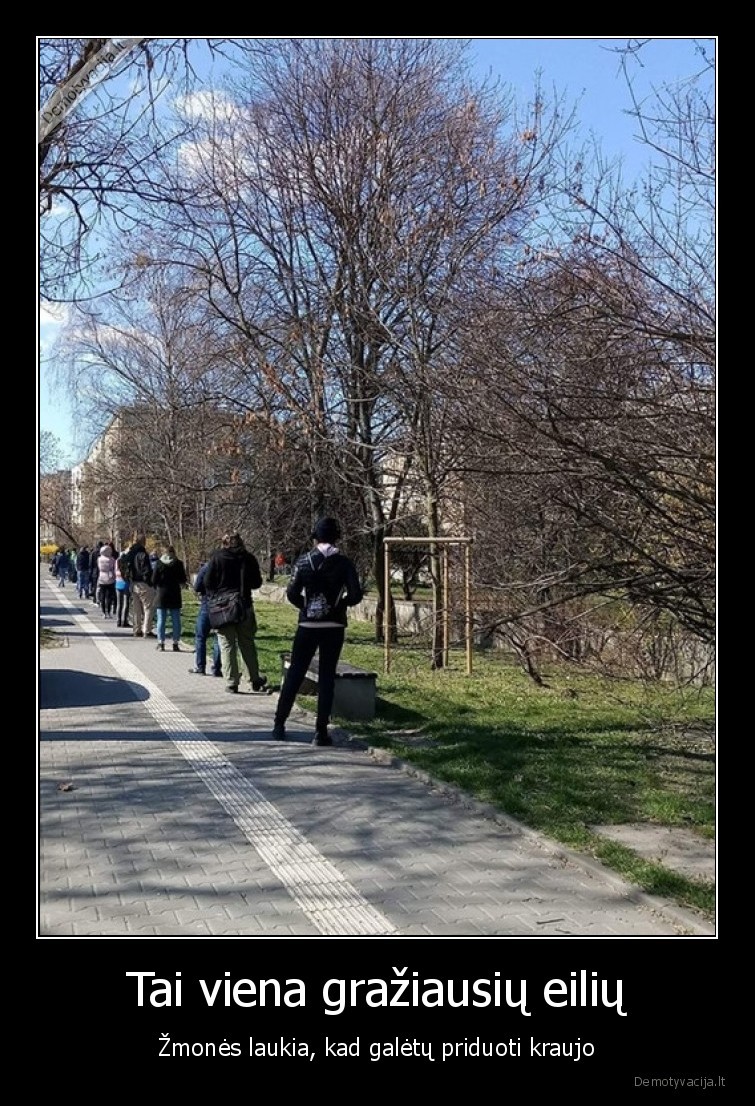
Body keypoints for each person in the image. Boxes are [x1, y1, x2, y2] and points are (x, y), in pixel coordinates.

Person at [272, 517, 363, 746]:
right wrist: (340, 605)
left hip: (307, 626)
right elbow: (356, 595)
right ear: (336, 537)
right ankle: (320, 732)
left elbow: (292, 593)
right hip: (333, 627)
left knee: (295, 674)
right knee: (326, 677)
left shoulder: (303, 562)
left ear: (315, 538)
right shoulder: (344, 563)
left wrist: (306, 607)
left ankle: (279, 724)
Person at [204, 532, 267, 694]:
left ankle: (232, 682)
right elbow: (257, 583)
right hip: (244, 604)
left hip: (223, 607)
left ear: (224, 543)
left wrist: (215, 596)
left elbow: (207, 582)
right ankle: (254, 679)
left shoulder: (217, 558)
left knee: (227, 644)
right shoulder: (248, 558)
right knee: (247, 643)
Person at [188, 557, 222, 676]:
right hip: (220, 606)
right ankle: (217, 668)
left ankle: (200, 666)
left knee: (200, 637)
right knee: (218, 638)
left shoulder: (205, 568)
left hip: (206, 604)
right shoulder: (225, 569)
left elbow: (197, 587)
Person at [152, 543, 188, 651]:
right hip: (175, 594)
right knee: (176, 620)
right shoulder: (178, 563)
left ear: (164, 553)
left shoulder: (159, 563)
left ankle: (161, 643)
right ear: (174, 552)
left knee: (161, 620)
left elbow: (153, 579)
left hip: (161, 593)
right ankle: (175, 643)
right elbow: (183, 580)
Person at [127, 533, 157, 638]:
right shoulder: (143, 554)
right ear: (143, 541)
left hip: (133, 583)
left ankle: (137, 629)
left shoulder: (130, 553)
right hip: (143, 583)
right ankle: (147, 630)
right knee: (148, 607)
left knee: (136, 609)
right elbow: (146, 571)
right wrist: (150, 581)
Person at [97, 543, 117, 618]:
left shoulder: (99, 559)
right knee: (109, 596)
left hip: (102, 577)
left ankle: (103, 612)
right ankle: (108, 611)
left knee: (102, 595)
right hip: (110, 577)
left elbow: (99, 567)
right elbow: (113, 568)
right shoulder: (112, 559)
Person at [115, 546, 132, 628]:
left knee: (119, 603)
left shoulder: (117, 562)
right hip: (125, 583)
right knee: (126, 603)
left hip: (118, 583)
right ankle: (124, 620)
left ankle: (118, 620)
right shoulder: (127, 563)